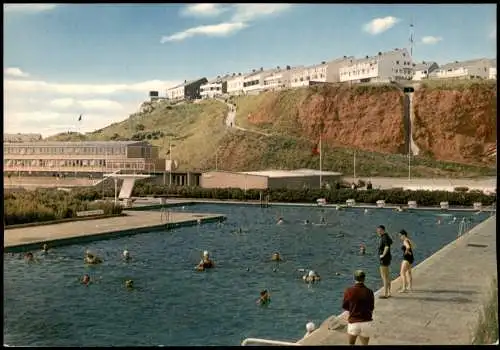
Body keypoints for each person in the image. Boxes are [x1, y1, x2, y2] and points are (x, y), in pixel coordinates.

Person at [342, 270, 375, 345]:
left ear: (354, 278)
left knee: (351, 343)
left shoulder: (349, 291)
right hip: (366, 322)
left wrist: (353, 309)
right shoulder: (369, 292)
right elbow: (371, 308)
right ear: (364, 279)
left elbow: (345, 306)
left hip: (354, 322)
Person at [377, 225, 393, 299]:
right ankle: (389, 292)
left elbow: (387, 246)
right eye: (378, 230)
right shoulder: (386, 236)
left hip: (384, 259)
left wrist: (383, 255)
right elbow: (391, 242)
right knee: (387, 276)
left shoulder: (384, 237)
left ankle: (385, 293)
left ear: (383, 230)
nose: (378, 232)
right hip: (387, 258)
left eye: (379, 230)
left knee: (384, 277)